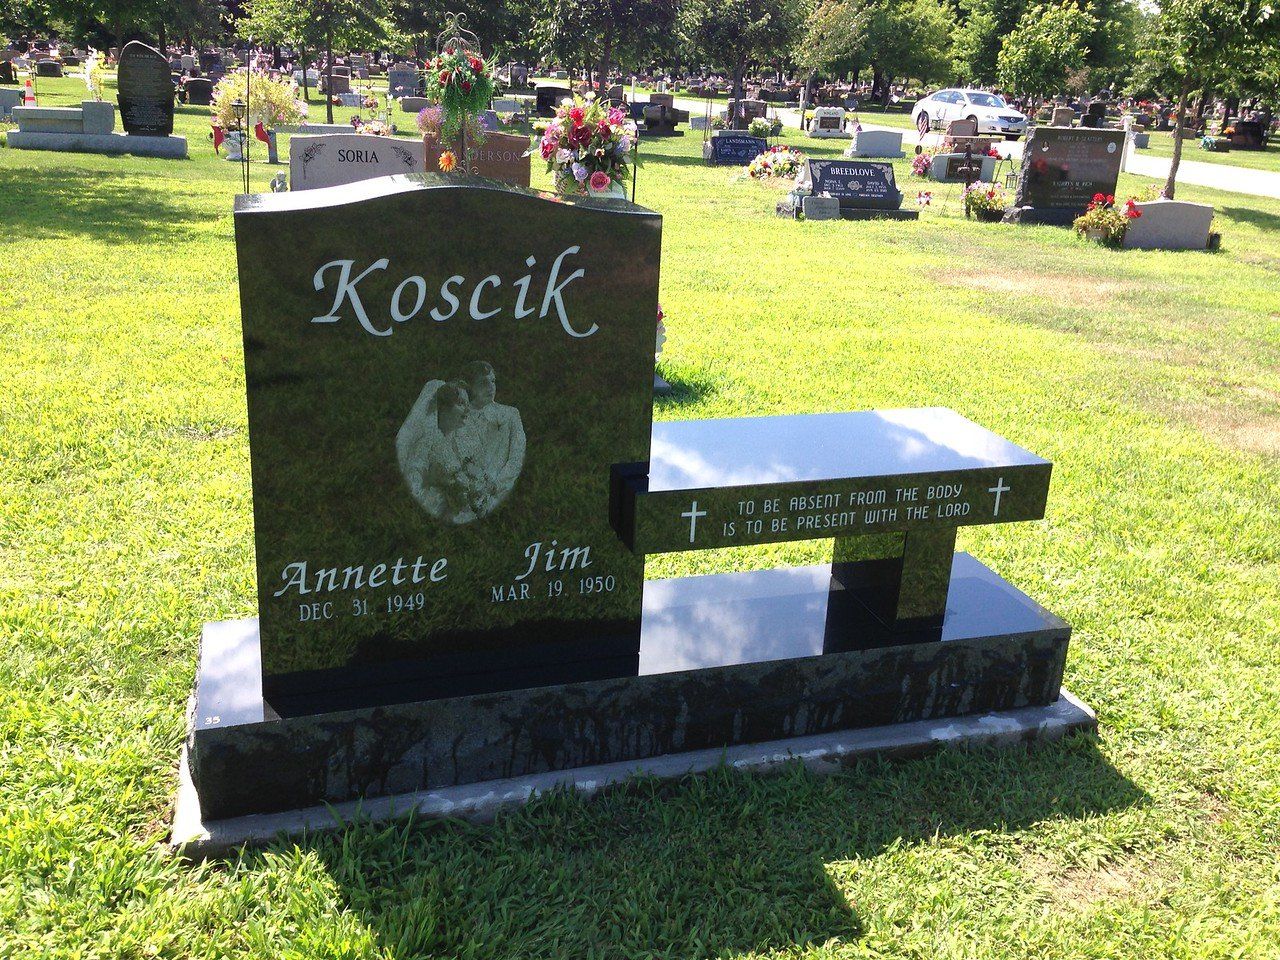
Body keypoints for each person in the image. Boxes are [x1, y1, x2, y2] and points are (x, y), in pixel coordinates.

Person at [396, 380, 486, 524]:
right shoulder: (427, 443)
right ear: (443, 407)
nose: (467, 410)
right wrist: (449, 489)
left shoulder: (462, 444)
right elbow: (412, 486)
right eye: (461, 404)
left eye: (467, 405)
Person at [458, 360, 526, 515]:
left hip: (504, 495)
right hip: (466, 500)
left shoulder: (510, 415)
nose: (491, 387)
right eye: (483, 383)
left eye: (493, 381)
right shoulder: (458, 417)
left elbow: (516, 457)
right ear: (468, 386)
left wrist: (496, 486)